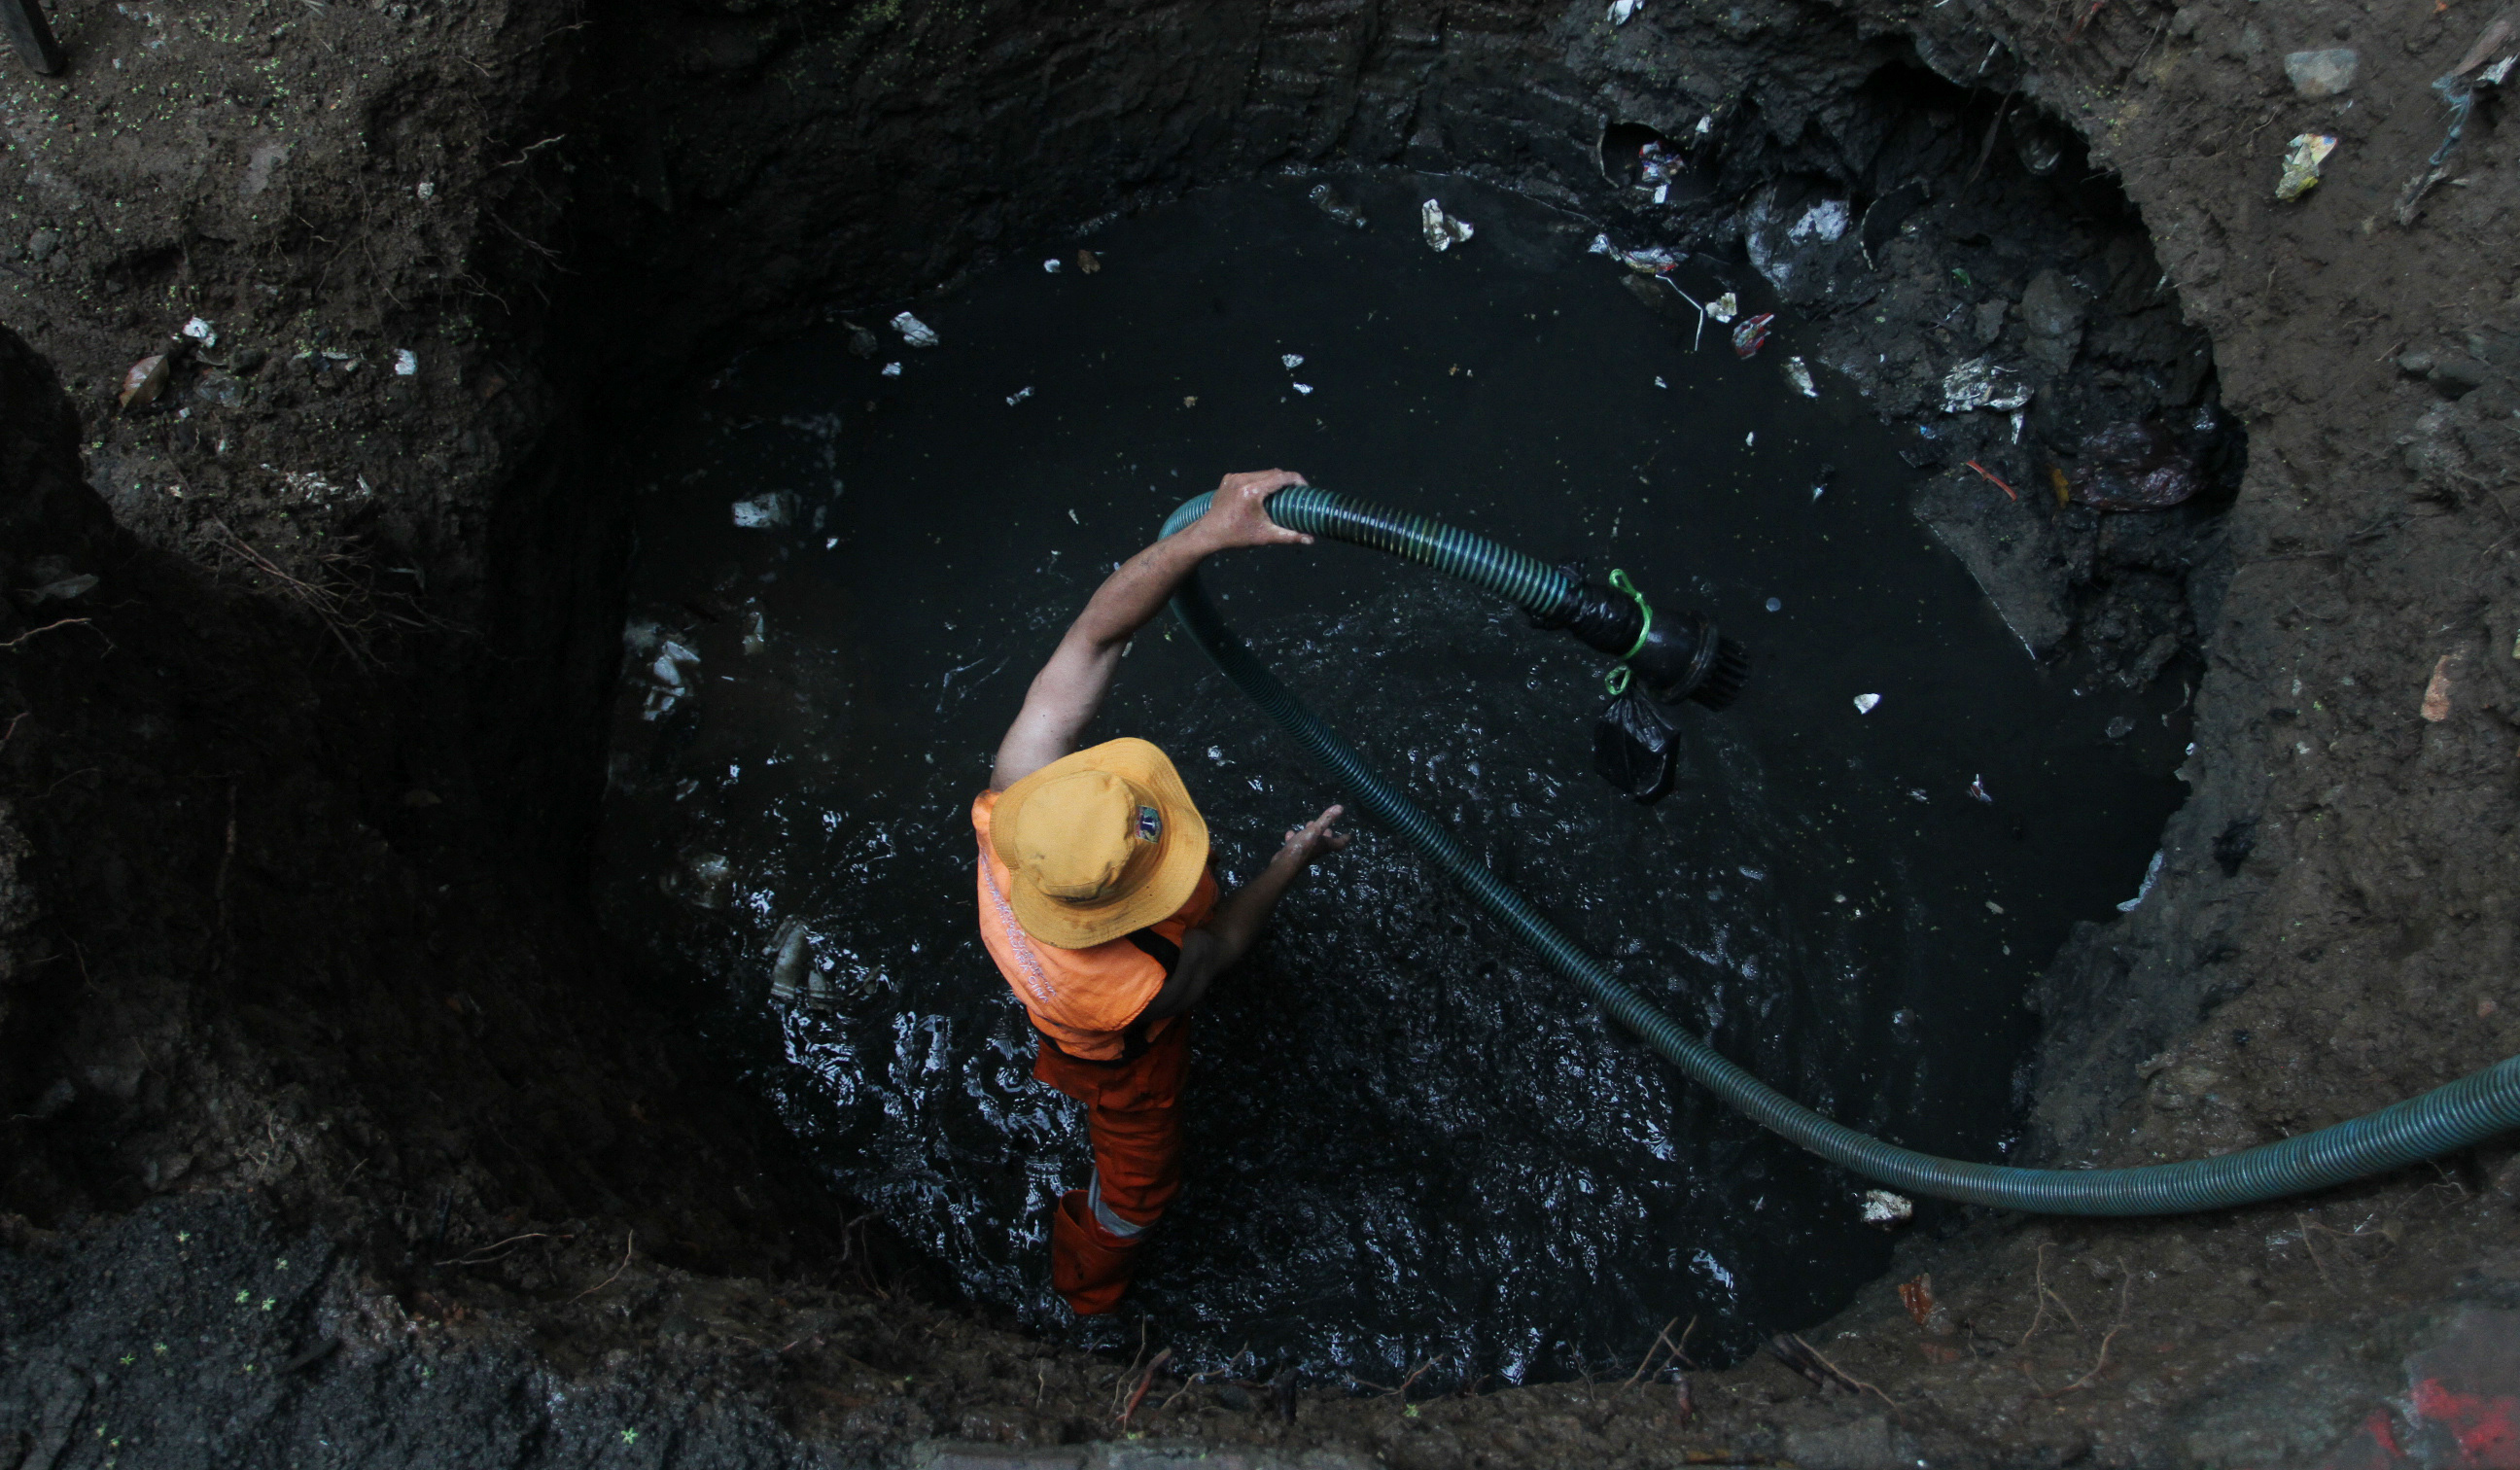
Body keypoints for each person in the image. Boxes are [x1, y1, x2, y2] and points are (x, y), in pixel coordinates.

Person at [973, 469, 1350, 1315]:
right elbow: (1219, 949)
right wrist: (1295, 856)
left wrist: (1208, 532)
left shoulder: (1015, 811)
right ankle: (1087, 1287)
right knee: (1137, 1193)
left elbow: (1092, 639)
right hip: (1121, 1068)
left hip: (1052, 1004)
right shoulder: (1146, 981)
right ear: (1122, 914)